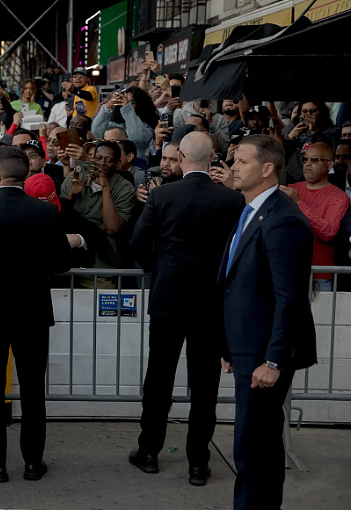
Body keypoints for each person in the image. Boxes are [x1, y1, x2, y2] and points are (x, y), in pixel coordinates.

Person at [127, 132, 244, 485]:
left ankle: (149, 452)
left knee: (159, 377)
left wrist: (157, 269)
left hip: (168, 298)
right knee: (205, 385)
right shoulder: (231, 200)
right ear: (212, 158)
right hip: (211, 302)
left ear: (179, 157)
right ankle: (198, 462)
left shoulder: (162, 195)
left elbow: (138, 243)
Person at [0, 148, 82, 484]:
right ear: (26, 176)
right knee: (32, 390)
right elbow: (61, 263)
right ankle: (33, 462)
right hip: (32, 312)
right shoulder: (44, 213)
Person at [223, 134, 317, 508]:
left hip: (266, 354)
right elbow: (236, 282)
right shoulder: (249, 211)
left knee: (252, 447)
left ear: (267, 169)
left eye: (241, 161)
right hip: (248, 349)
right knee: (258, 444)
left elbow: (289, 298)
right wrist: (228, 346)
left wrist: (274, 360)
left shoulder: (282, 219)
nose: (233, 167)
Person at [281, 142, 350, 291]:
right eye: (305, 159)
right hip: (286, 272)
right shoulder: (291, 189)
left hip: (320, 276)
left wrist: (298, 203)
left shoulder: (339, 197)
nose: (307, 164)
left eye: (315, 160)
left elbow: (327, 232)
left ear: (329, 165)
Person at [61, 141, 136, 277]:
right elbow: (62, 216)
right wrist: (72, 194)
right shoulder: (77, 175)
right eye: (98, 158)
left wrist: (105, 186)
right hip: (70, 259)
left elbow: (112, 228)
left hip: (101, 263)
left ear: (118, 164)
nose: (102, 163)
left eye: (109, 160)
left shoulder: (125, 188)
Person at [93, 88, 157, 160]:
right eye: (123, 101)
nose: (127, 104)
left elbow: (137, 138)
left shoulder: (147, 125)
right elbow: (97, 132)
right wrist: (107, 107)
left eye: (132, 102)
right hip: (111, 163)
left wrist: (127, 108)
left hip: (136, 166)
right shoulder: (115, 123)